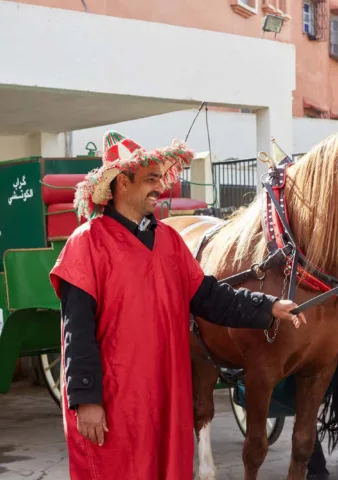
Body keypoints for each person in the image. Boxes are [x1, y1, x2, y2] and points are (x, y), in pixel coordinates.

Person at [49, 131, 306, 480]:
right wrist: (85, 399)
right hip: (115, 399)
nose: (160, 188)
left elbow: (208, 296)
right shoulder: (87, 243)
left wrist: (267, 307)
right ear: (122, 183)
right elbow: (75, 331)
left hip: (166, 393)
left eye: (160, 179)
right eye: (151, 179)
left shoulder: (168, 240)